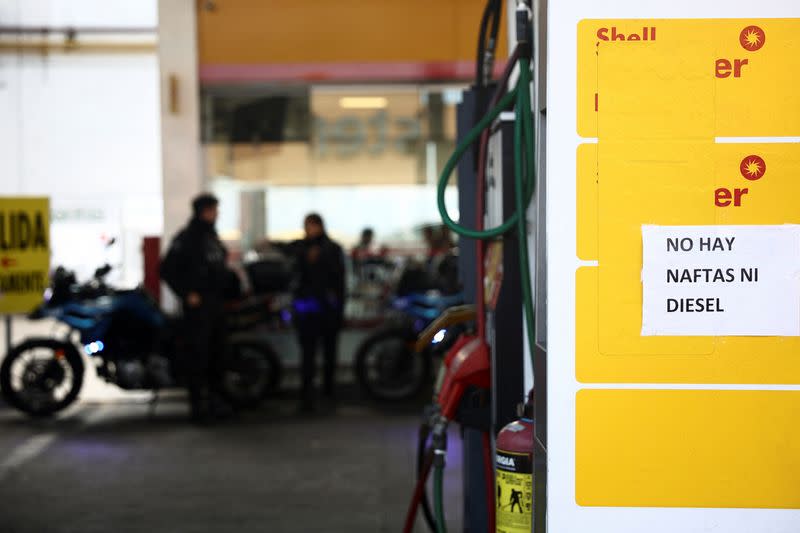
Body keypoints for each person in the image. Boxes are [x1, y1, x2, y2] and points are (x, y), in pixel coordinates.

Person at [160, 193, 230, 422]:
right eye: (213, 210)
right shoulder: (188, 238)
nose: (216, 214)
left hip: (215, 306)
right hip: (198, 310)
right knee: (199, 357)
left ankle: (215, 403)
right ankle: (198, 407)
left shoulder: (211, 237)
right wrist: (186, 293)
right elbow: (167, 269)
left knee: (217, 356)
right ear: (203, 211)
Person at [289, 213, 346, 411]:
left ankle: (327, 394)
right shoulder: (300, 248)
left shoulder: (331, 249)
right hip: (311, 309)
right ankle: (308, 397)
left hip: (324, 309)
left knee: (327, 355)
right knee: (309, 355)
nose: (309, 231)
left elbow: (339, 282)